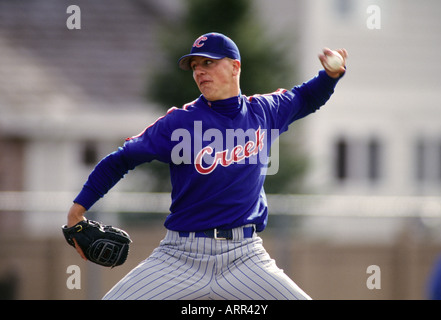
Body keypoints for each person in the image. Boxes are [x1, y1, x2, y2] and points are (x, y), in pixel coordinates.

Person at [66, 32, 347, 300]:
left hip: (245, 256)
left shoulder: (265, 112)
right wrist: (78, 210)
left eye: (208, 63)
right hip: (180, 256)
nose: (200, 71)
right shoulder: (179, 123)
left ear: (235, 66)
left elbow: (306, 98)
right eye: (195, 66)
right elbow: (121, 159)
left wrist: (331, 75)